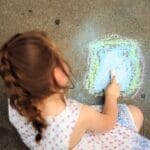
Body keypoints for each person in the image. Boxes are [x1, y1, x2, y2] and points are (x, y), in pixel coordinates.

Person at [0, 30, 150, 150]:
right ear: (59, 76)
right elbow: (108, 123)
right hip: (76, 142)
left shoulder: (15, 102)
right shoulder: (76, 115)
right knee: (136, 114)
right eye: (58, 58)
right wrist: (111, 96)